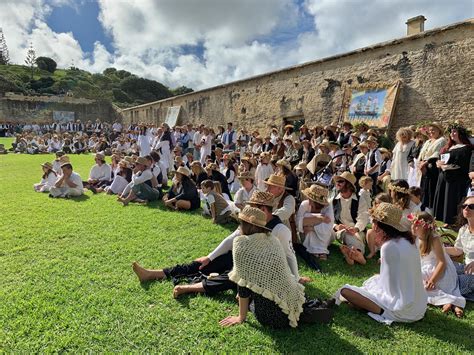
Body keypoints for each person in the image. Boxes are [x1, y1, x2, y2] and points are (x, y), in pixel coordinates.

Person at [220, 206, 334, 328]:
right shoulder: (273, 240)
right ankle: (310, 309)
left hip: (271, 316)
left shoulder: (241, 244)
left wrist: (241, 317)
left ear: (245, 225)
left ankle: (310, 312)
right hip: (290, 296)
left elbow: (242, 285)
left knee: (250, 301)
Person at [335, 202, 427, 325]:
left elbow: (388, 288)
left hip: (401, 309)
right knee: (374, 280)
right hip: (419, 307)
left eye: (373, 221)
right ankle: (365, 305)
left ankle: (375, 309)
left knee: (345, 291)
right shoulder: (409, 242)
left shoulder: (389, 247)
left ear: (378, 225)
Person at [409, 212, 465, 317]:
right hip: (425, 268)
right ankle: (449, 303)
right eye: (412, 223)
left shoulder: (434, 239)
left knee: (419, 284)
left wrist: (433, 280)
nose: (413, 226)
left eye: (417, 224)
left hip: (439, 271)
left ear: (425, 227)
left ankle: (450, 301)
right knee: (414, 281)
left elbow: (442, 262)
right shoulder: (415, 237)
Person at [433, 123, 473, 225]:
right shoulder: (448, 147)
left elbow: (466, 164)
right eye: (451, 132)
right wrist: (438, 163)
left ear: (461, 134)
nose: (452, 133)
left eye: (454, 131)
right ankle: (445, 220)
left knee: (453, 199)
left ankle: (454, 220)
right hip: (444, 177)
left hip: (457, 178)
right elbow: (440, 159)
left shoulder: (467, 148)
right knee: (444, 198)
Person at [331, 172, 370, 265]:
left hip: (356, 230)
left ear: (349, 184)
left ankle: (350, 254)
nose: (337, 184)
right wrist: (336, 226)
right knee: (346, 233)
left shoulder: (360, 200)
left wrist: (355, 229)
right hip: (339, 231)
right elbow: (328, 218)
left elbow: (363, 218)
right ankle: (358, 255)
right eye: (337, 182)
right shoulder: (333, 200)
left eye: (340, 181)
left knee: (352, 235)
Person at [445, 196, 474, 302]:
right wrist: (440, 248)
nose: (466, 208)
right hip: (467, 268)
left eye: (471, 206)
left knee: (459, 282)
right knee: (444, 268)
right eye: (464, 206)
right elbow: (458, 250)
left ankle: (452, 302)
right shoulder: (464, 229)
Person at [296, 184, 334, 260]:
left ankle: (319, 250)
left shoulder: (328, 206)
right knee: (312, 229)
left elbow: (328, 225)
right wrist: (319, 218)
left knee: (324, 230)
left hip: (324, 235)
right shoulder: (304, 204)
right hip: (305, 233)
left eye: (311, 199)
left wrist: (311, 226)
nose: (308, 200)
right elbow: (299, 223)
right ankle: (318, 251)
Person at [418, 122, 446, 213]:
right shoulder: (428, 141)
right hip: (423, 166)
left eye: (433, 130)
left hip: (432, 167)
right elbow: (422, 154)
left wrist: (425, 163)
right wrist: (420, 162)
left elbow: (437, 154)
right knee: (423, 187)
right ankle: (422, 207)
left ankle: (430, 210)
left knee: (430, 187)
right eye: (429, 130)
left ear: (439, 131)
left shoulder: (441, 140)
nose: (431, 132)